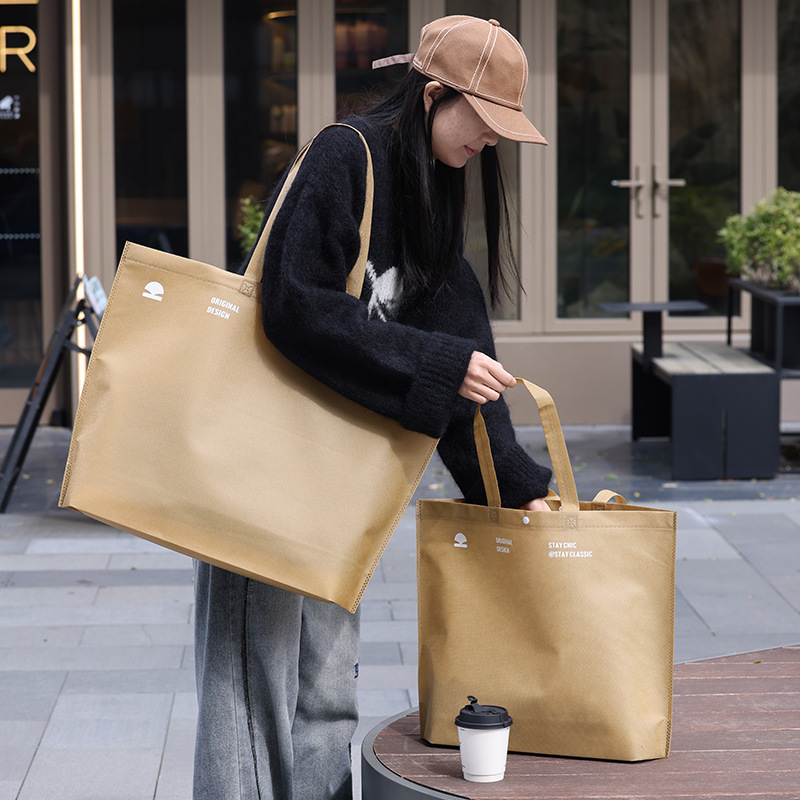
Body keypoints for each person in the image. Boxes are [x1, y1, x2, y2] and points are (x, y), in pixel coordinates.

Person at [193, 15, 552, 800]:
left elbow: (464, 348)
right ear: (433, 96)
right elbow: (294, 306)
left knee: (326, 686)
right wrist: (436, 363)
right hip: (264, 468)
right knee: (250, 687)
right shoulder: (343, 155)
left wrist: (515, 485)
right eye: (485, 122)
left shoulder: (433, 192)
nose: (490, 143)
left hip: (337, 482)